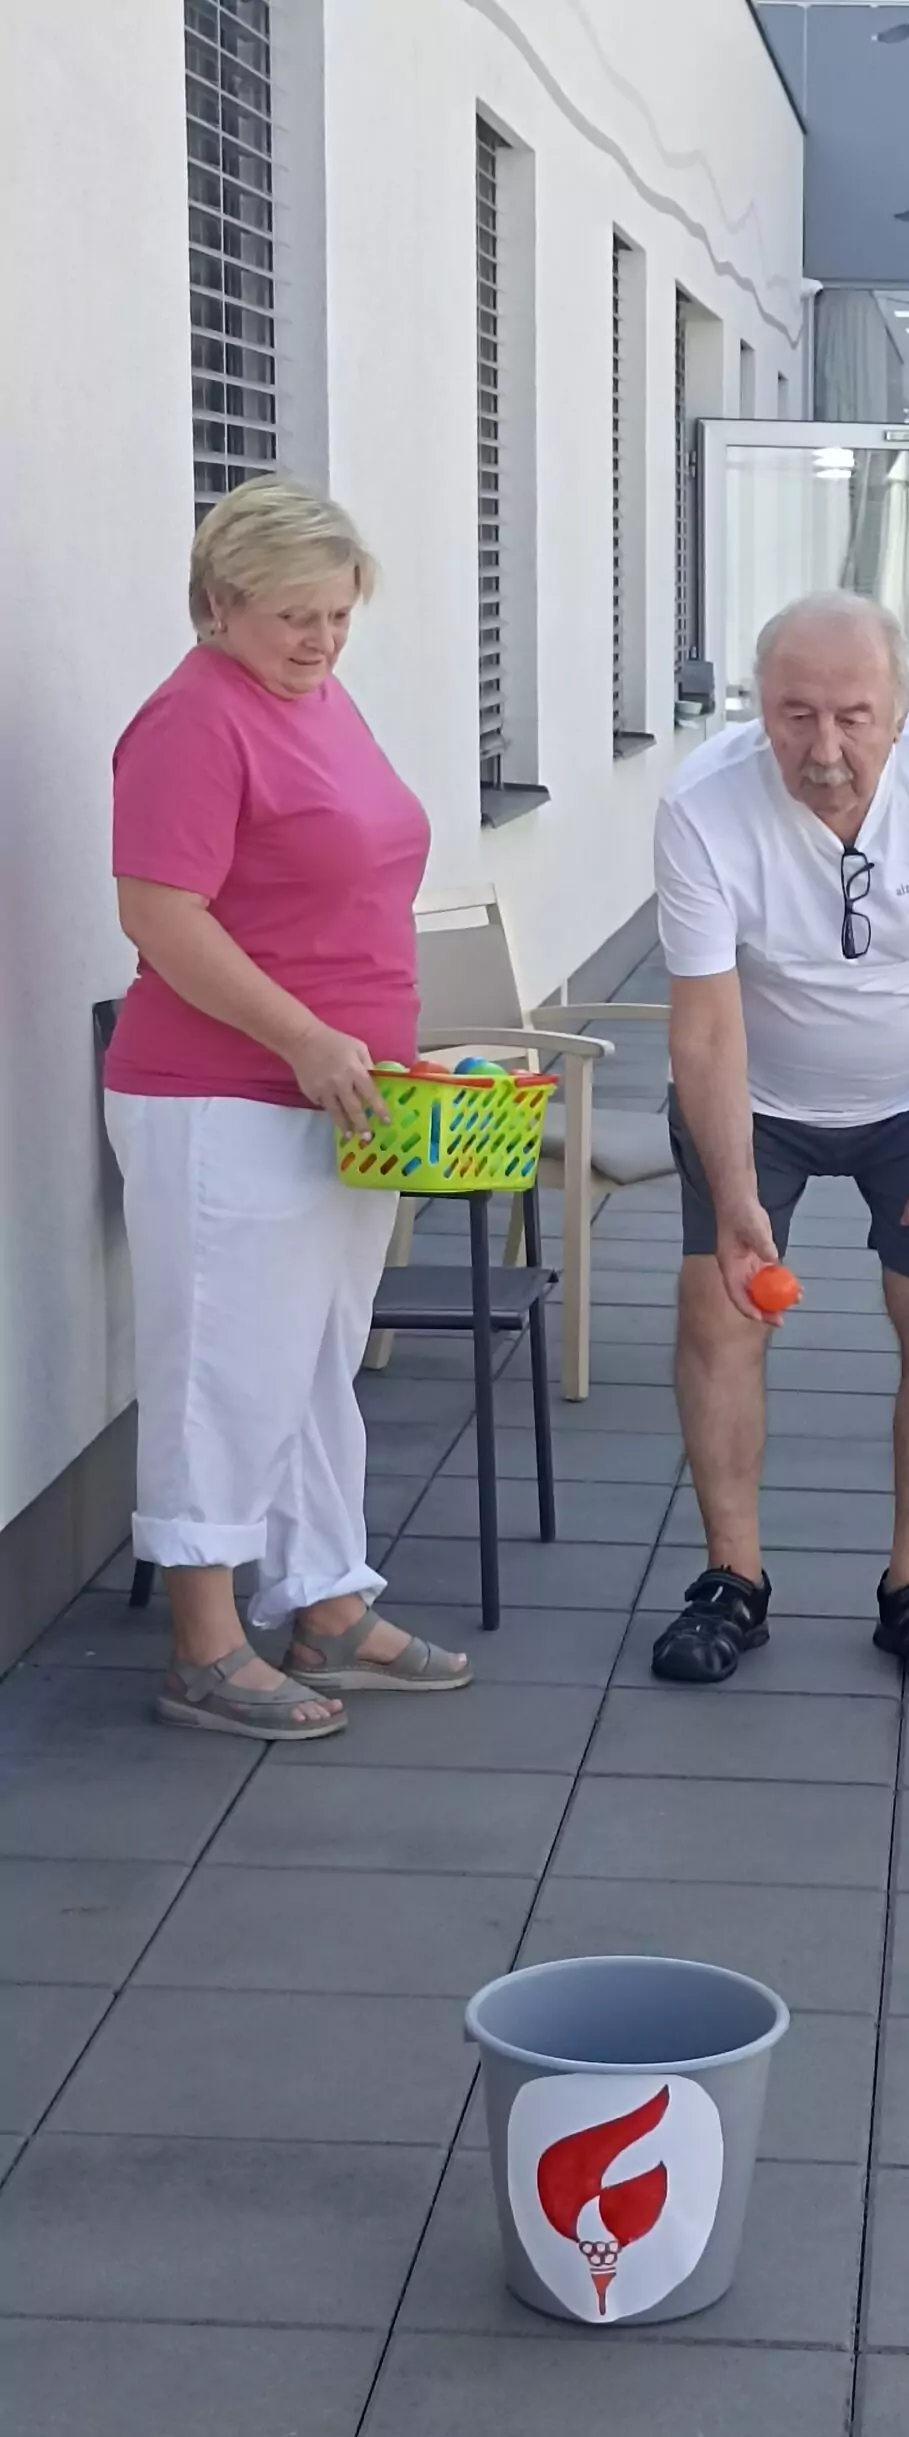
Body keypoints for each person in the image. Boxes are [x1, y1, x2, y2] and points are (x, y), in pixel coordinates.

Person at [105, 476, 470, 1739]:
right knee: (221, 1366)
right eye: (294, 617)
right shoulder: (193, 720)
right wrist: (306, 1036)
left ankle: (326, 1602)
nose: (320, 640)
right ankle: (204, 1646)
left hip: (340, 1101)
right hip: (225, 1099)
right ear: (217, 604)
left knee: (314, 1362)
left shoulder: (316, 698)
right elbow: (160, 914)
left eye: (338, 614)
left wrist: (375, 1052)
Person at [652, 593, 909, 1690]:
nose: (824, 750)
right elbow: (704, 1023)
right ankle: (732, 1578)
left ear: (901, 712)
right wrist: (734, 1193)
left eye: (853, 718)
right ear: (757, 708)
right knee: (720, 1314)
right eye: (794, 716)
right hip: (755, 1096)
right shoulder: (701, 803)